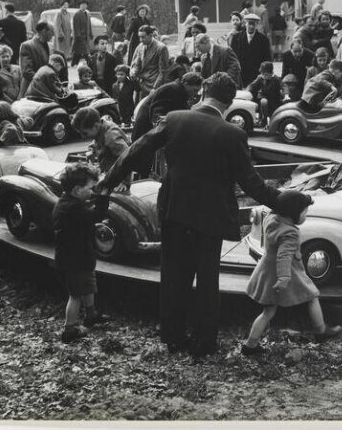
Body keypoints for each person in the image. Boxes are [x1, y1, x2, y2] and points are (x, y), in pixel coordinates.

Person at [98, 73, 282, 357]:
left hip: (174, 209)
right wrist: (284, 202)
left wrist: (106, 182)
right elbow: (251, 184)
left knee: (173, 276)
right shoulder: (234, 134)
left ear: (203, 92)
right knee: (208, 280)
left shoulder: (174, 119)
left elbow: (134, 151)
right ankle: (205, 343)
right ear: (229, 102)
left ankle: (173, 337)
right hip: (210, 217)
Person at [242, 191, 342, 355]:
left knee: (268, 312)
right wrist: (283, 277)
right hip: (286, 272)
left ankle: (250, 345)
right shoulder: (290, 232)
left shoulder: (271, 219)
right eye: (304, 212)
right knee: (312, 296)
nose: (306, 216)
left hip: (266, 271)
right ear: (293, 213)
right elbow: (284, 256)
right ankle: (320, 331)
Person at [53, 162, 108, 343]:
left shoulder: (69, 201)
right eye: (91, 189)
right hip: (72, 261)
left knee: (88, 285)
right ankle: (69, 329)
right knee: (76, 294)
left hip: (81, 256)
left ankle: (91, 315)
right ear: (77, 190)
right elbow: (96, 215)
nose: (92, 192)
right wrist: (103, 197)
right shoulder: (73, 208)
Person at [131, 72, 202, 142]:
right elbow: (157, 113)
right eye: (194, 90)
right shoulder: (171, 89)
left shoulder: (180, 90)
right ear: (186, 84)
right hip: (146, 128)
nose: (195, 93)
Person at [71, 107, 130, 174]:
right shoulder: (100, 128)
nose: (83, 136)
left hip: (120, 175)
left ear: (95, 126)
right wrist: (92, 151)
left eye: (85, 133)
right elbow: (97, 140)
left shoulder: (111, 137)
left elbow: (127, 158)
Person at [230, 13, 272, 87]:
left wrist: (265, 74)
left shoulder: (263, 39)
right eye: (249, 24)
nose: (251, 26)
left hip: (256, 76)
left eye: (254, 24)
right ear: (245, 24)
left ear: (256, 25)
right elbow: (232, 57)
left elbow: (267, 58)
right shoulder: (236, 38)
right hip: (241, 76)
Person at [130, 25, 170, 96]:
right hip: (142, 85)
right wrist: (133, 71)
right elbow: (137, 63)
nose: (140, 40)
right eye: (139, 37)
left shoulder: (161, 48)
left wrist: (155, 88)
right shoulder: (140, 46)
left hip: (154, 86)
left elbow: (163, 72)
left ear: (150, 35)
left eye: (143, 37)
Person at [19, 21, 53, 97]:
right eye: (52, 31)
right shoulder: (27, 46)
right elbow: (26, 71)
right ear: (44, 32)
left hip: (45, 90)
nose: (53, 34)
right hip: (31, 91)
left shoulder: (50, 46)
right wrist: (44, 80)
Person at [71, 0, 93, 66]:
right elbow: (76, 26)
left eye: (85, 5)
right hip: (80, 37)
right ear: (80, 6)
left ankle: (73, 64)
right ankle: (91, 64)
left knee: (78, 53)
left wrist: (90, 34)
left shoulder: (87, 14)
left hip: (86, 37)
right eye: (83, 4)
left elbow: (89, 25)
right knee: (85, 52)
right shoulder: (77, 14)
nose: (84, 6)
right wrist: (78, 36)